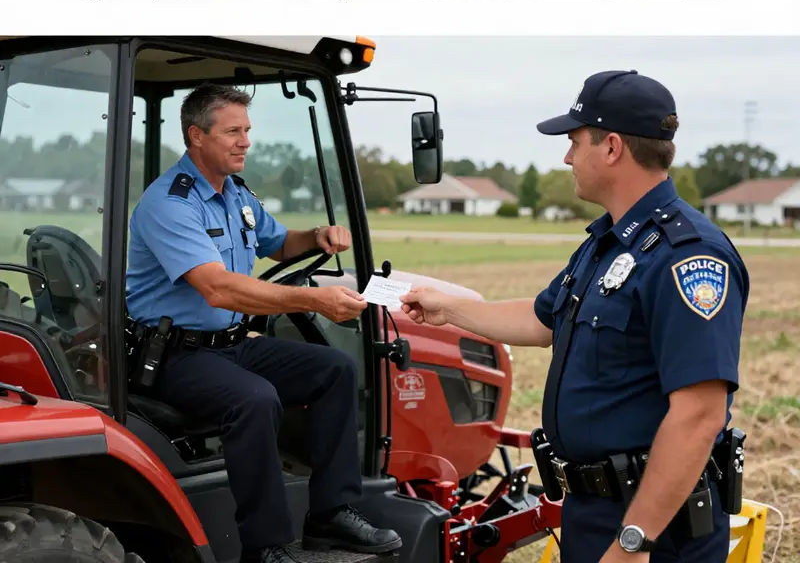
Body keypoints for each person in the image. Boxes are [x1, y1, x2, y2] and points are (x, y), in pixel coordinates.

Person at [401, 70, 748, 563]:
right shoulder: (608, 242)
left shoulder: (686, 257)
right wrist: (449, 308)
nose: (566, 158)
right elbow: (546, 319)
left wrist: (634, 540)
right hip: (596, 510)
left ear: (610, 148)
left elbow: (699, 415)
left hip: (654, 526)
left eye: (573, 142)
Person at [126, 83, 401, 563]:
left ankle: (330, 516)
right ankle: (265, 546)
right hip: (174, 355)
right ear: (196, 136)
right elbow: (218, 287)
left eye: (247, 130)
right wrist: (313, 301)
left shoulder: (234, 194)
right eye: (233, 131)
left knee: (335, 369)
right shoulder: (171, 203)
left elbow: (277, 243)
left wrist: (317, 237)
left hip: (230, 344)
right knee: (255, 399)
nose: (245, 142)